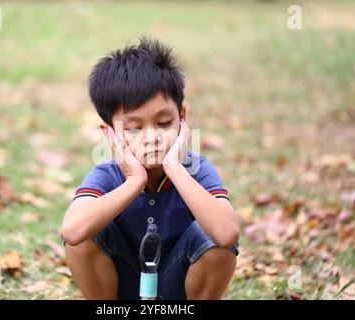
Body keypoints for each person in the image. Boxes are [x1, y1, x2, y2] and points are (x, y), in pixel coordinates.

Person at [61, 37, 240, 300]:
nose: (152, 137)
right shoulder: (107, 174)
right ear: (109, 134)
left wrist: (175, 168)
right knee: (88, 231)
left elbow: (226, 234)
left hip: (177, 291)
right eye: (133, 128)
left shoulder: (196, 169)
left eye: (165, 122)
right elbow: (73, 231)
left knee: (212, 230)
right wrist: (134, 181)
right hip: (123, 291)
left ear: (183, 118)